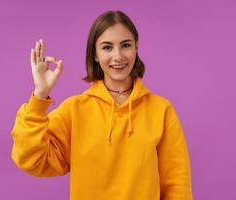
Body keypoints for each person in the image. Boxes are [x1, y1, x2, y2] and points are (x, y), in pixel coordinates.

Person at [11, 10, 193, 200]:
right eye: (107, 47)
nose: (118, 56)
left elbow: (176, 185)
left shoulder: (161, 110)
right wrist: (40, 95)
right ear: (95, 54)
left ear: (136, 48)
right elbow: (30, 159)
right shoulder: (75, 110)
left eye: (126, 45)